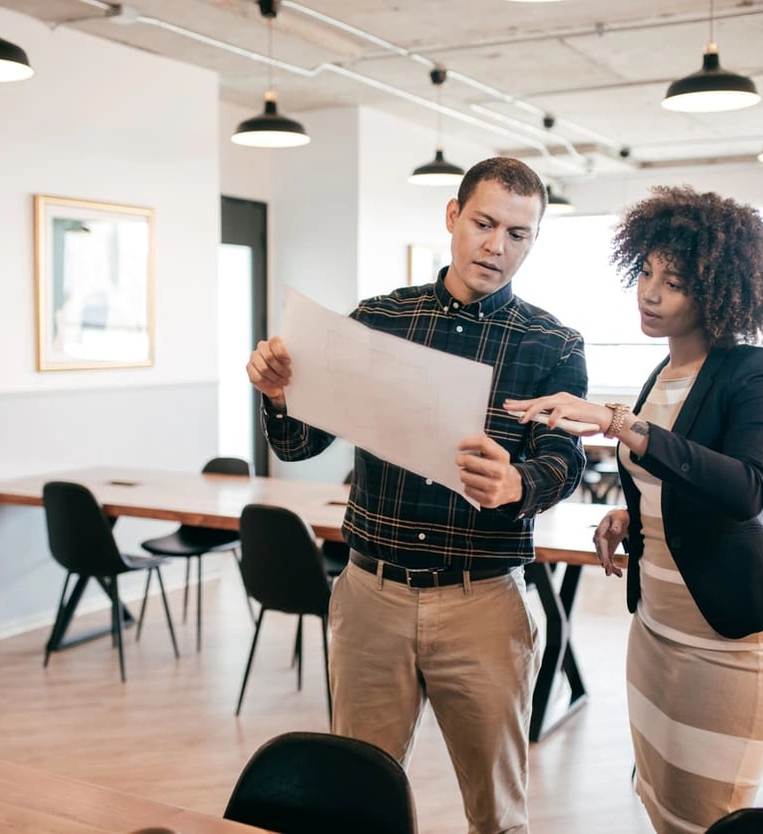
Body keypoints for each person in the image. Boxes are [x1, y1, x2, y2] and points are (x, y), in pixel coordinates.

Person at [246, 157, 587, 834]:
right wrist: (283, 397)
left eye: (518, 234)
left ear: (534, 240)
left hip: (485, 602)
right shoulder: (377, 319)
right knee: (351, 804)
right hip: (372, 597)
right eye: (485, 223)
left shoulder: (553, 344)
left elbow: (565, 457)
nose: (497, 246)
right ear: (453, 217)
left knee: (498, 815)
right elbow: (298, 446)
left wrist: (523, 482)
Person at [506, 185, 763, 834]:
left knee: (711, 817)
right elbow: (671, 480)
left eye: (672, 282)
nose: (649, 293)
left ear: (717, 291)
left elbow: (748, 488)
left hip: (729, 640)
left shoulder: (755, 370)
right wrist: (633, 515)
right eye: (644, 273)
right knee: (660, 802)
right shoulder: (663, 376)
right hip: (656, 627)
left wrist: (623, 425)